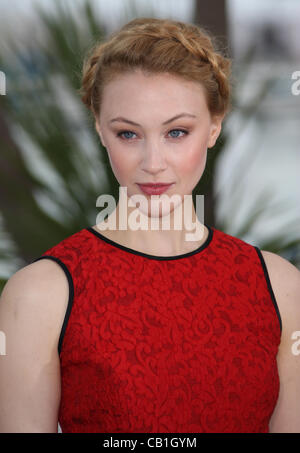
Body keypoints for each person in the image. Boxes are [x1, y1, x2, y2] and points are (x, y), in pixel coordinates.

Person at [0, 17, 299, 434]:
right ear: (100, 130)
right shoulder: (39, 295)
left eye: (177, 132)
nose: (153, 163)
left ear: (214, 126)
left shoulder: (281, 288)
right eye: (128, 134)